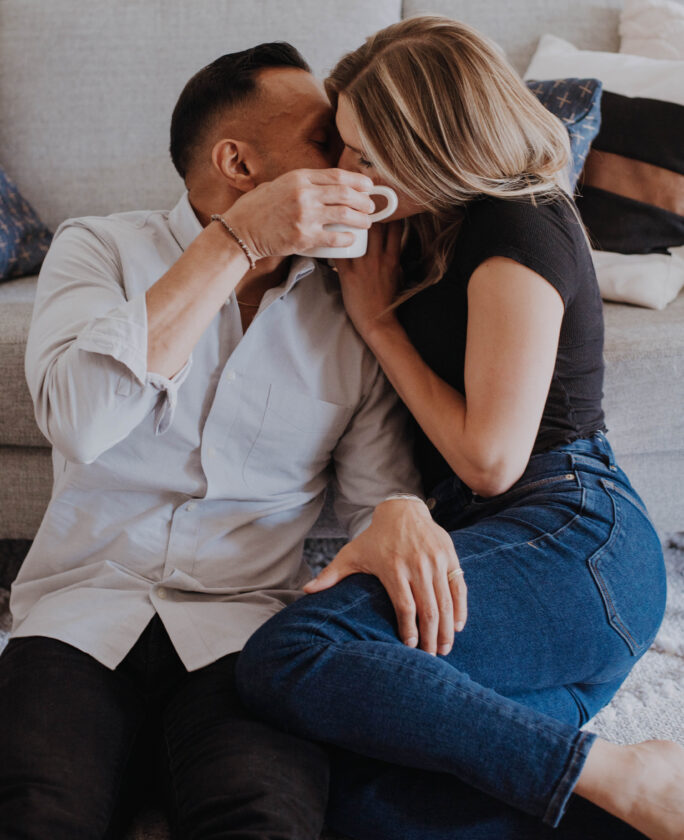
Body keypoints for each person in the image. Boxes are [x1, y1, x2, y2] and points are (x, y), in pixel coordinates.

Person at [235, 17, 684, 840]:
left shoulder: (522, 222)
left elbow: (490, 460)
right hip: (499, 556)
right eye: (343, 145)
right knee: (364, 799)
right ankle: (617, 803)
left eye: (367, 155)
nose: (347, 170)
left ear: (436, 147)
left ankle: (623, 771)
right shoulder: (418, 225)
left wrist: (379, 324)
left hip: (573, 539)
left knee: (291, 654)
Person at [0, 42, 437, 839]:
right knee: (34, 811)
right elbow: (82, 421)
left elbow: (379, 499)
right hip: (78, 616)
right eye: (322, 143)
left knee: (268, 819)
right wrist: (236, 242)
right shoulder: (98, 248)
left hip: (246, 636)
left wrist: (404, 510)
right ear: (237, 161)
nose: (349, 164)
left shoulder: (350, 299)